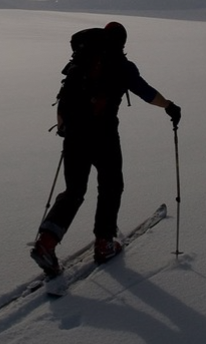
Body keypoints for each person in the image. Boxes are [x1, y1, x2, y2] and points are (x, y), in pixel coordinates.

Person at [31, 21, 181, 277]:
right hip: (104, 136)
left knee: (74, 191)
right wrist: (169, 106)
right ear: (122, 42)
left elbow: (65, 97)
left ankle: (46, 242)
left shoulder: (81, 61)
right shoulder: (123, 66)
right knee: (111, 186)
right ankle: (104, 243)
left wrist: (65, 127)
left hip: (74, 136)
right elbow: (146, 93)